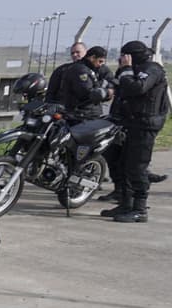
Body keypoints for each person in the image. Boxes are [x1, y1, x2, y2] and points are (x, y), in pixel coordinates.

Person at [108, 41, 169, 223]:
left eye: (125, 56)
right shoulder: (133, 69)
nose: (122, 59)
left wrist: (126, 70)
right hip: (131, 123)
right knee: (124, 164)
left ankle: (140, 209)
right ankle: (127, 204)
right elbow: (121, 89)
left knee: (137, 167)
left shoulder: (152, 69)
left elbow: (137, 87)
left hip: (145, 125)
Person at [47, 44, 107, 120]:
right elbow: (51, 91)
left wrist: (106, 91)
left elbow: (111, 80)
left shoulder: (100, 67)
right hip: (71, 112)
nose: (75, 55)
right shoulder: (62, 70)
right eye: (72, 53)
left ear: (86, 53)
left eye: (78, 52)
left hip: (91, 112)